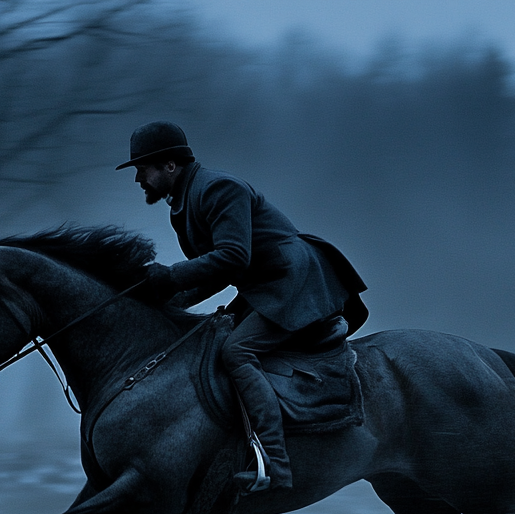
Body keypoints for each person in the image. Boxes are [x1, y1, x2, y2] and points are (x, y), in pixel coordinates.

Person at [118, 121, 368, 493]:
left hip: (292, 283)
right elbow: (215, 272)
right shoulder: (185, 202)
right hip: (263, 286)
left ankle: (276, 466)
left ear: (170, 166)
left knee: (237, 352)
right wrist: (165, 303)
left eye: (143, 168)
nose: (138, 178)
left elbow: (234, 257)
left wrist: (169, 277)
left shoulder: (219, 188)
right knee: (205, 338)